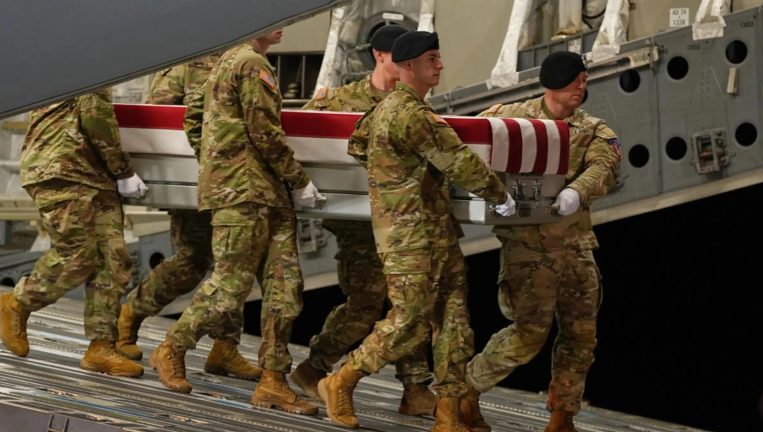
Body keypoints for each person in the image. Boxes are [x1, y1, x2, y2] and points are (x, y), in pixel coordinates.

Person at [317, 31, 516, 432]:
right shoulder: (410, 113)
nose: (440, 65)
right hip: (410, 238)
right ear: (408, 65)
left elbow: (358, 145)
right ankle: (342, 379)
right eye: (432, 59)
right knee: (409, 321)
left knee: (454, 322)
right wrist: (499, 195)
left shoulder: (388, 110)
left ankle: (448, 413)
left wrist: (398, 182)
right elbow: (459, 162)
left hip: (433, 231)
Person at [150, 28, 324, 416]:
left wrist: (217, 161)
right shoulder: (249, 63)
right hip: (246, 193)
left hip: (264, 193)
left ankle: (273, 381)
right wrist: (298, 179)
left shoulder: (225, 62)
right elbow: (265, 131)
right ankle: (172, 348)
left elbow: (195, 119)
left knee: (284, 288)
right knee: (229, 285)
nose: (283, 23)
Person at [467, 50, 622, 432]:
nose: (581, 88)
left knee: (581, 335)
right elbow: (469, 144)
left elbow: (605, 165)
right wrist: (491, 191)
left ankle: (562, 416)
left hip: (575, 246)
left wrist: (576, 192)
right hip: (528, 248)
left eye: (584, 81)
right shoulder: (512, 117)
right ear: (553, 83)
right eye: (574, 81)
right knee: (528, 334)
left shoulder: (592, 129)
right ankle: (465, 391)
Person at [289, 24, 436, 417]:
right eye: (398, 57)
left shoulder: (415, 101)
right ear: (379, 56)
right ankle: (315, 366)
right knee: (367, 304)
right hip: (356, 223)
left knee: (410, 304)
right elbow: (296, 135)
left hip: (398, 219)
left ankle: (415, 387)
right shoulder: (341, 101)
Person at [115, 53, 261, 382]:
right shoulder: (187, 64)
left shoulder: (249, 61)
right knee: (193, 261)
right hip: (195, 179)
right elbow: (156, 119)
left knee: (237, 263)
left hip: (237, 182)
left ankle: (225, 346)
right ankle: (129, 317)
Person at [0, 89, 147, 377]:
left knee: (112, 260)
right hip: (65, 169)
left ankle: (101, 347)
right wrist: (123, 170)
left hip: (92, 175)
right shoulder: (91, 69)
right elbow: (95, 117)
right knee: (78, 254)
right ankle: (17, 304)